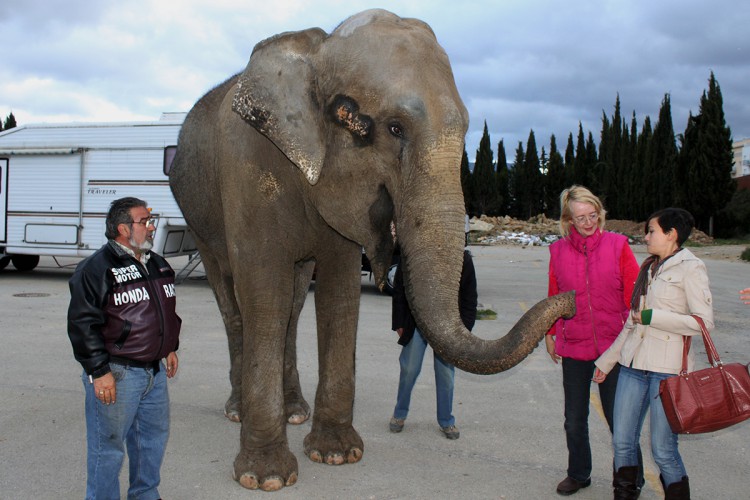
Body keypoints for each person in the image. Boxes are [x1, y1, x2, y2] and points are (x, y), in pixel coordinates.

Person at [67, 197, 181, 500]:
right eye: (144, 221)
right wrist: (99, 371)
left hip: (155, 375)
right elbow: (82, 324)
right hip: (117, 375)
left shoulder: (157, 264)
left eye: (150, 219)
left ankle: (145, 495)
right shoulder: (95, 269)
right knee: (108, 448)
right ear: (122, 228)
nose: (151, 226)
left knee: (151, 442)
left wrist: (169, 346)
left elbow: (165, 312)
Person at [594, 208, 713, 499]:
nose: (645, 236)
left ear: (671, 234)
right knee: (622, 441)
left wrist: (653, 317)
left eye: (651, 231)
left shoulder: (691, 267)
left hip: (667, 373)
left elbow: (702, 324)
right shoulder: (648, 266)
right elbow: (632, 322)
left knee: (663, 449)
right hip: (632, 367)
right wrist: (607, 362)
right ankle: (624, 494)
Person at [545, 185, 642, 496]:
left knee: (619, 421)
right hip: (575, 346)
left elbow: (635, 298)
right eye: (580, 217)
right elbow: (554, 296)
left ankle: (630, 479)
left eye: (593, 215)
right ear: (569, 220)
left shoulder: (618, 245)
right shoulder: (557, 252)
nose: (588, 222)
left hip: (614, 349)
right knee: (574, 420)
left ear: (600, 213)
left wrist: (636, 338)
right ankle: (578, 474)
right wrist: (550, 332)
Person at [389, 246, 477, 439]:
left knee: (446, 374)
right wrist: (399, 322)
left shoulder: (462, 258)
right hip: (416, 322)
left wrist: (465, 330)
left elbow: (470, 298)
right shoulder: (415, 251)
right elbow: (399, 289)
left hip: (448, 328)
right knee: (409, 370)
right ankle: (399, 414)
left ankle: (446, 421)